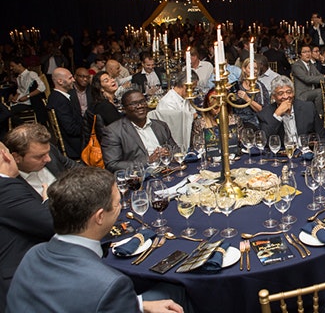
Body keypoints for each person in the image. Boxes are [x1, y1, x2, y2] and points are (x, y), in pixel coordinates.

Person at [6, 166, 189, 313]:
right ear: (100, 216)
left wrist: (140, 304)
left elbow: (69, 301)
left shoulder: (32, 254)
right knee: (177, 290)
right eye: (117, 203)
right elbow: (98, 294)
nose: (120, 207)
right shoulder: (110, 284)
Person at [0, 140, 54, 312]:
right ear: (5, 155)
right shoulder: (6, 189)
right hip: (24, 279)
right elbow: (51, 223)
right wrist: (47, 201)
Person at [102, 90, 177, 172]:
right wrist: (148, 160)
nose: (140, 106)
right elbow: (112, 164)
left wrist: (168, 153)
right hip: (140, 176)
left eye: (142, 101)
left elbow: (175, 149)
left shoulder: (160, 125)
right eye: (133, 104)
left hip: (167, 171)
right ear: (124, 109)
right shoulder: (113, 131)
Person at [6, 123, 80, 196]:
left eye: (47, 153)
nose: (48, 159)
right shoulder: (11, 186)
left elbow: (73, 166)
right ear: (16, 157)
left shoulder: (45, 149)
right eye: (40, 156)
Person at [257, 75, 325, 141]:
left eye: (289, 92)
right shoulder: (265, 114)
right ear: (273, 96)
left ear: (293, 93)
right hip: (282, 149)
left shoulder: (308, 108)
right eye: (280, 93)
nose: (286, 96)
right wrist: (277, 115)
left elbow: (322, 137)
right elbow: (264, 141)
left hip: (305, 148)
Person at [46, 68, 84, 159]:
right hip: (74, 146)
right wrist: (88, 128)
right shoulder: (60, 101)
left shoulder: (55, 97)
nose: (74, 80)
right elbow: (71, 129)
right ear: (60, 81)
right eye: (70, 78)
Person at [8, 57, 47, 125]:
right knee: (4, 110)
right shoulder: (18, 77)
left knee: (7, 112)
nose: (11, 68)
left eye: (12, 66)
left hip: (29, 102)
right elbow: (20, 91)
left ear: (19, 65)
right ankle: (23, 125)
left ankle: (25, 126)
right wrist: (15, 97)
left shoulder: (31, 74)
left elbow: (42, 87)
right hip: (19, 101)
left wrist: (27, 96)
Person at [233, 58, 270, 130]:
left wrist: (247, 99)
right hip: (236, 120)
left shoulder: (258, 86)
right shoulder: (238, 85)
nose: (254, 71)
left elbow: (261, 109)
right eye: (251, 68)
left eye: (255, 68)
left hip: (252, 121)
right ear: (244, 69)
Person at [290, 45, 325, 117]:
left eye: (309, 52)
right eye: (304, 52)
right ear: (300, 55)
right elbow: (306, 79)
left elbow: (319, 75)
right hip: (302, 95)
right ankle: (319, 115)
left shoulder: (311, 64)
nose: (307, 54)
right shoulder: (296, 65)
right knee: (319, 91)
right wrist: (324, 77)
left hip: (311, 92)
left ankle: (318, 114)